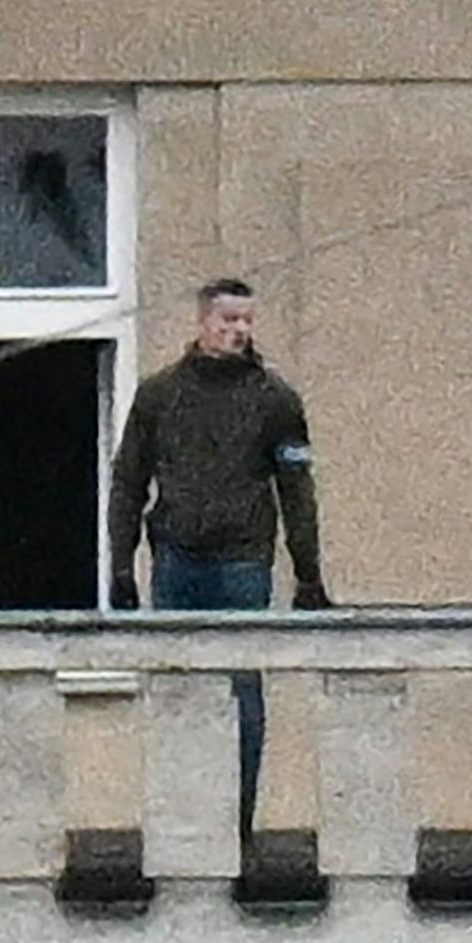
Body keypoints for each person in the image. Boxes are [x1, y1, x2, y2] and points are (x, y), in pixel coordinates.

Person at [107, 279, 331, 833]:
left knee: (242, 692)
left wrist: (309, 575)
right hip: (176, 558)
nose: (239, 331)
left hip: (243, 561)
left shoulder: (274, 398)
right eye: (229, 320)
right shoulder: (160, 395)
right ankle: (177, 817)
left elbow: (296, 488)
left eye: (247, 321)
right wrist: (119, 565)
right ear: (203, 322)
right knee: (176, 689)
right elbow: (128, 482)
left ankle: (239, 821)